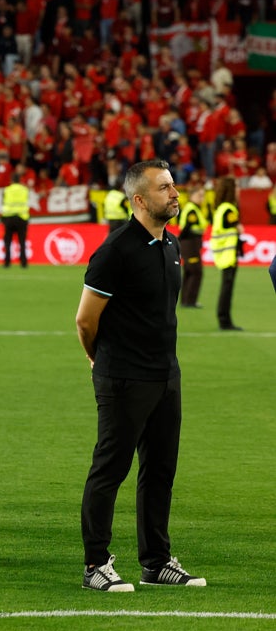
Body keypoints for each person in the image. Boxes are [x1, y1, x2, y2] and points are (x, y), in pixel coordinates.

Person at [76, 159, 206, 592]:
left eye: (173, 184)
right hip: (124, 378)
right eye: (164, 187)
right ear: (139, 199)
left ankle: (156, 561)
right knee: (110, 470)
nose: (174, 193)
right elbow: (85, 321)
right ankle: (96, 564)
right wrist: (104, 361)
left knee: (160, 470)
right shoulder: (115, 251)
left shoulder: (170, 247)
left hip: (166, 376)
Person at [210, 176, 242, 331]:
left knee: (226, 288)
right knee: (227, 289)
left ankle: (224, 319)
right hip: (228, 255)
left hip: (223, 254)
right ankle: (225, 320)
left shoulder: (220, 208)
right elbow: (234, 227)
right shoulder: (229, 209)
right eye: (236, 187)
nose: (239, 190)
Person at [177, 185, 207, 309]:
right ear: (192, 196)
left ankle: (185, 300)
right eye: (199, 195)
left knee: (189, 272)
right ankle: (190, 301)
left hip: (189, 244)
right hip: (190, 244)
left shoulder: (192, 208)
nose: (202, 198)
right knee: (196, 272)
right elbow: (187, 229)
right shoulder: (192, 210)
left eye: (203, 196)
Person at [1, 172, 30, 268]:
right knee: (22, 241)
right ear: (20, 180)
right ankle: (23, 262)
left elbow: (4, 202)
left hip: (9, 217)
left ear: (12, 180)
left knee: (8, 241)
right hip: (22, 217)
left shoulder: (7, 190)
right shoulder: (25, 190)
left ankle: (7, 262)